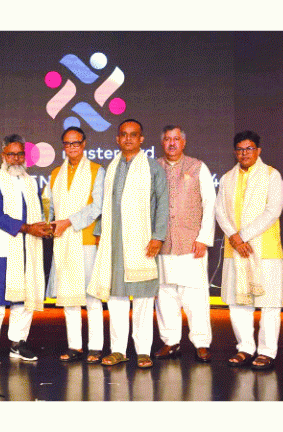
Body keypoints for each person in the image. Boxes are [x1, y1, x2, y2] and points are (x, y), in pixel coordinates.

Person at [87, 119, 169, 369]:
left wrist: (158, 236)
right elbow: (105, 203)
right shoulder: (111, 167)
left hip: (143, 241)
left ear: (141, 139)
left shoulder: (153, 168)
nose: (128, 139)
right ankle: (118, 350)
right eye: (124, 134)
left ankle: (143, 350)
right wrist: (100, 231)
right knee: (116, 298)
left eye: (133, 135)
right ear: (117, 138)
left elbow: (163, 204)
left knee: (143, 297)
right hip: (113, 241)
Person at [0, 134, 52, 366]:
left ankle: (18, 343)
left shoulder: (31, 182)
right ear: (3, 156)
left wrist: (43, 227)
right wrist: (29, 228)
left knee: (23, 298)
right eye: (11, 154)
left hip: (28, 248)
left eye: (20, 154)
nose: (16, 159)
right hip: (2, 249)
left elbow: (38, 212)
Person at [215, 130, 283, 370]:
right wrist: (235, 239)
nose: (244, 153)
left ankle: (266, 351)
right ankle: (245, 347)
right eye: (240, 149)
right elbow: (219, 212)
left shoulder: (272, 175)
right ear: (235, 152)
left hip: (265, 250)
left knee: (269, 303)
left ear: (258, 151)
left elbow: (273, 211)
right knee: (238, 302)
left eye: (249, 148)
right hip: (235, 249)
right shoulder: (227, 178)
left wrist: (241, 236)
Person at [42, 126, 106, 364]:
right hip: (63, 241)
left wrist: (69, 221)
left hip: (87, 240)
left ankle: (96, 347)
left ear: (84, 143)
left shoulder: (96, 170)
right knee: (69, 297)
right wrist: (47, 223)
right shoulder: (55, 173)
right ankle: (75, 346)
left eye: (76, 143)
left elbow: (98, 206)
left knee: (92, 298)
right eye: (68, 144)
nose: (72, 147)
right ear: (63, 146)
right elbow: (48, 204)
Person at [153, 125, 216, 363]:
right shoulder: (153, 167)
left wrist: (203, 238)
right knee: (165, 294)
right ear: (162, 143)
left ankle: (201, 343)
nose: (172, 143)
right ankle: (171, 341)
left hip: (192, 243)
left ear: (184, 142)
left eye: (176, 139)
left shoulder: (197, 167)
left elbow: (210, 203)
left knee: (195, 296)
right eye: (167, 139)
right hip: (162, 244)